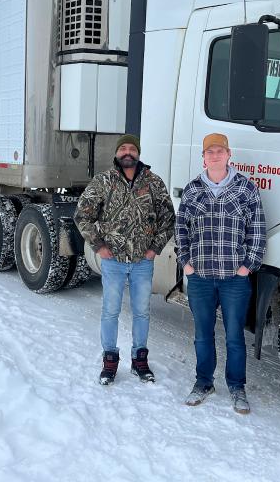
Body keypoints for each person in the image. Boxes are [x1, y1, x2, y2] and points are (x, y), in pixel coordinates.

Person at [175, 133, 266, 413]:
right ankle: (204, 382)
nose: (214, 156)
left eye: (219, 151)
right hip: (200, 278)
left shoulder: (245, 189)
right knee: (203, 334)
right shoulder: (192, 190)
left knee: (235, 336)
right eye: (209, 152)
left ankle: (237, 387)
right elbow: (181, 230)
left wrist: (246, 267)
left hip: (234, 280)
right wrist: (186, 263)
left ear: (229, 155)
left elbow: (258, 231)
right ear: (203, 157)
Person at [74, 134, 175, 385]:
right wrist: (99, 246)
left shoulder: (153, 182)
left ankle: (139, 360)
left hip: (143, 262)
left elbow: (168, 219)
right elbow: (82, 215)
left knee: (142, 311)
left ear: (138, 153)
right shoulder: (104, 181)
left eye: (132, 148)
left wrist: (154, 248)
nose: (127, 152)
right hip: (114, 261)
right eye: (123, 148)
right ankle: (109, 361)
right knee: (110, 311)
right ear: (117, 154)